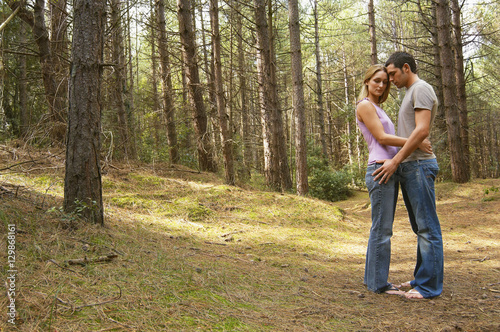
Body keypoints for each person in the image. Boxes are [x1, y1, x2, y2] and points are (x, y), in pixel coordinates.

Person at [356, 64, 432, 295]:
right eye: (376, 80)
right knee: (382, 230)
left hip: (387, 170)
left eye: (385, 82)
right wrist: (415, 141)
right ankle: (379, 284)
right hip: (380, 171)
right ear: (367, 82)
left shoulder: (377, 107)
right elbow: (381, 137)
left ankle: (373, 280)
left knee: (380, 228)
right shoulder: (365, 105)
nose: (381, 85)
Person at [373, 52, 443, 299]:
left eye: (393, 74)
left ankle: (429, 287)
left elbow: (422, 130)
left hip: (420, 166)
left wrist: (396, 160)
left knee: (427, 228)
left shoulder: (421, 89)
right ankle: (422, 278)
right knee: (420, 228)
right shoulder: (410, 93)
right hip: (412, 166)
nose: (391, 80)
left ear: (406, 68)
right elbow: (410, 133)